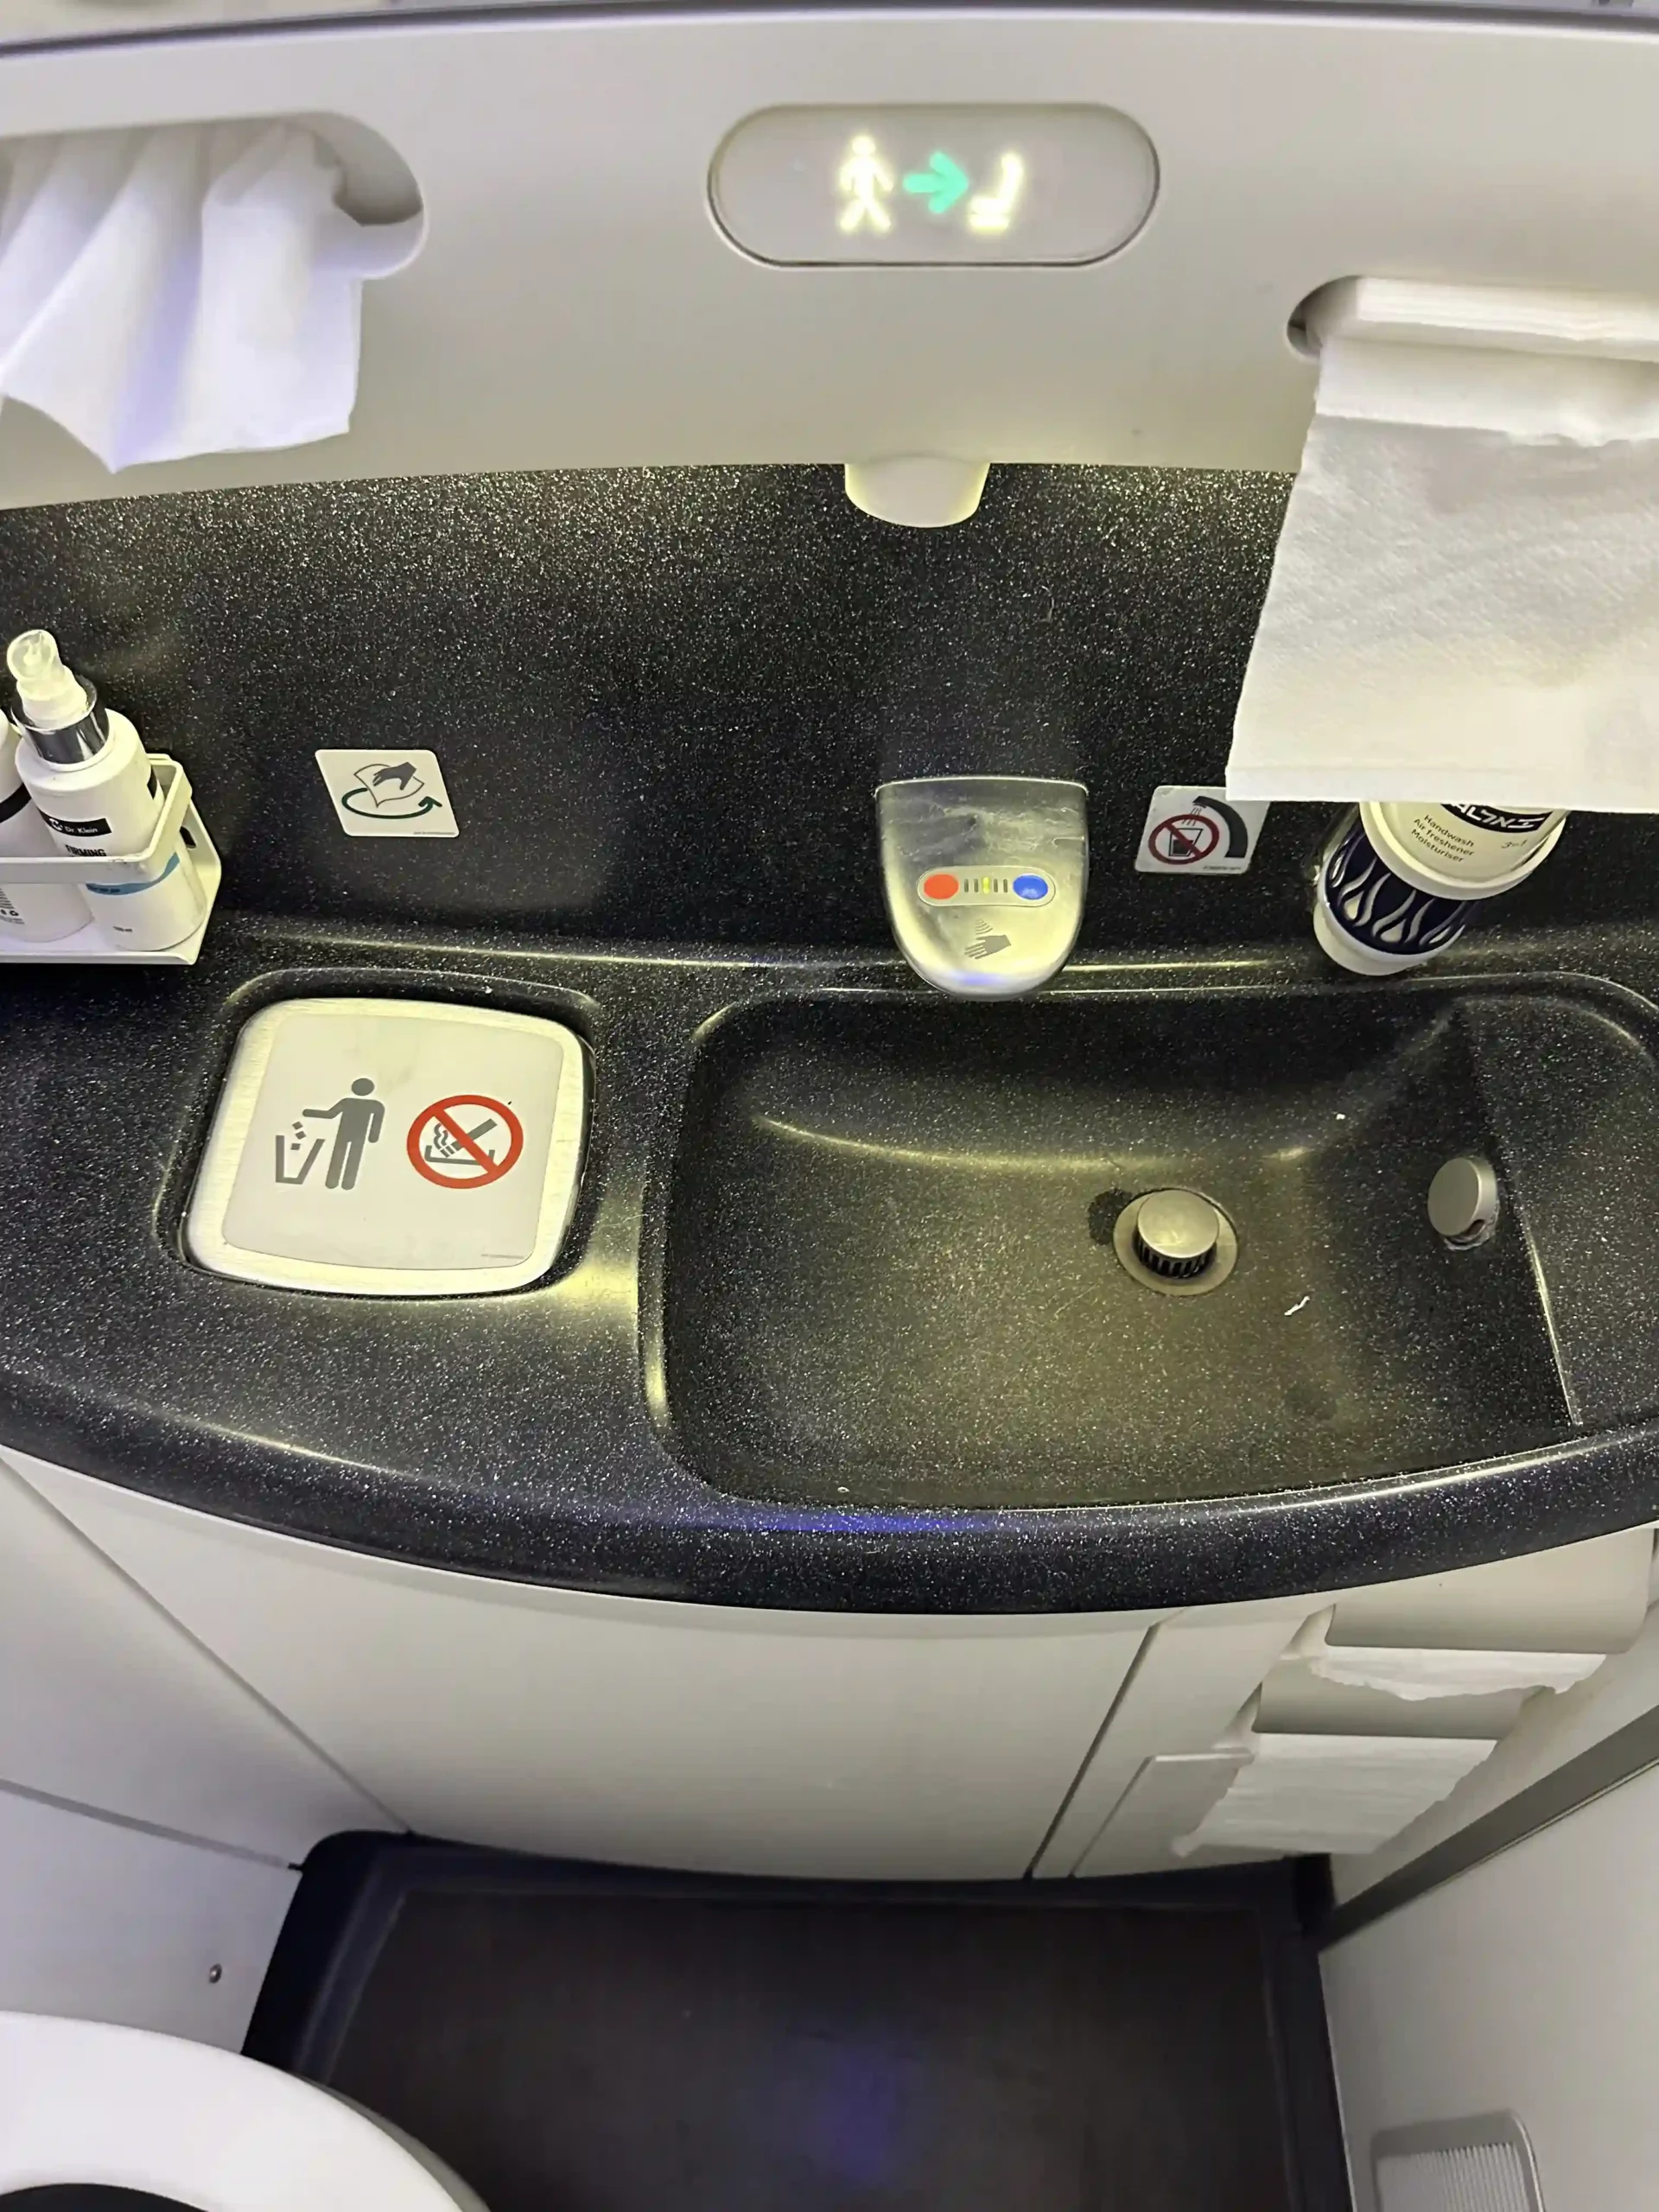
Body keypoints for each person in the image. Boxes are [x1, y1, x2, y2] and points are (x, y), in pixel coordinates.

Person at [304, 1076, 384, 1191]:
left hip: (346, 1134)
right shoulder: (375, 1105)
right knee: (352, 1157)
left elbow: (330, 1114)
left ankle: (335, 1181)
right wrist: (373, 1137)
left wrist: (309, 1112)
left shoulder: (348, 1102)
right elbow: (377, 1121)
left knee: (340, 1156)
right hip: (357, 1136)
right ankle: (345, 1183)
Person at [837, 135, 894, 235]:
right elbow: (847, 175)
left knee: (868, 207)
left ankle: (884, 224)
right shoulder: (854, 163)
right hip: (860, 192)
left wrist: (886, 184)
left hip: (869, 191)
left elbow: (880, 174)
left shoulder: (872, 163)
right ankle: (847, 225)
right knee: (864, 207)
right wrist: (846, 185)